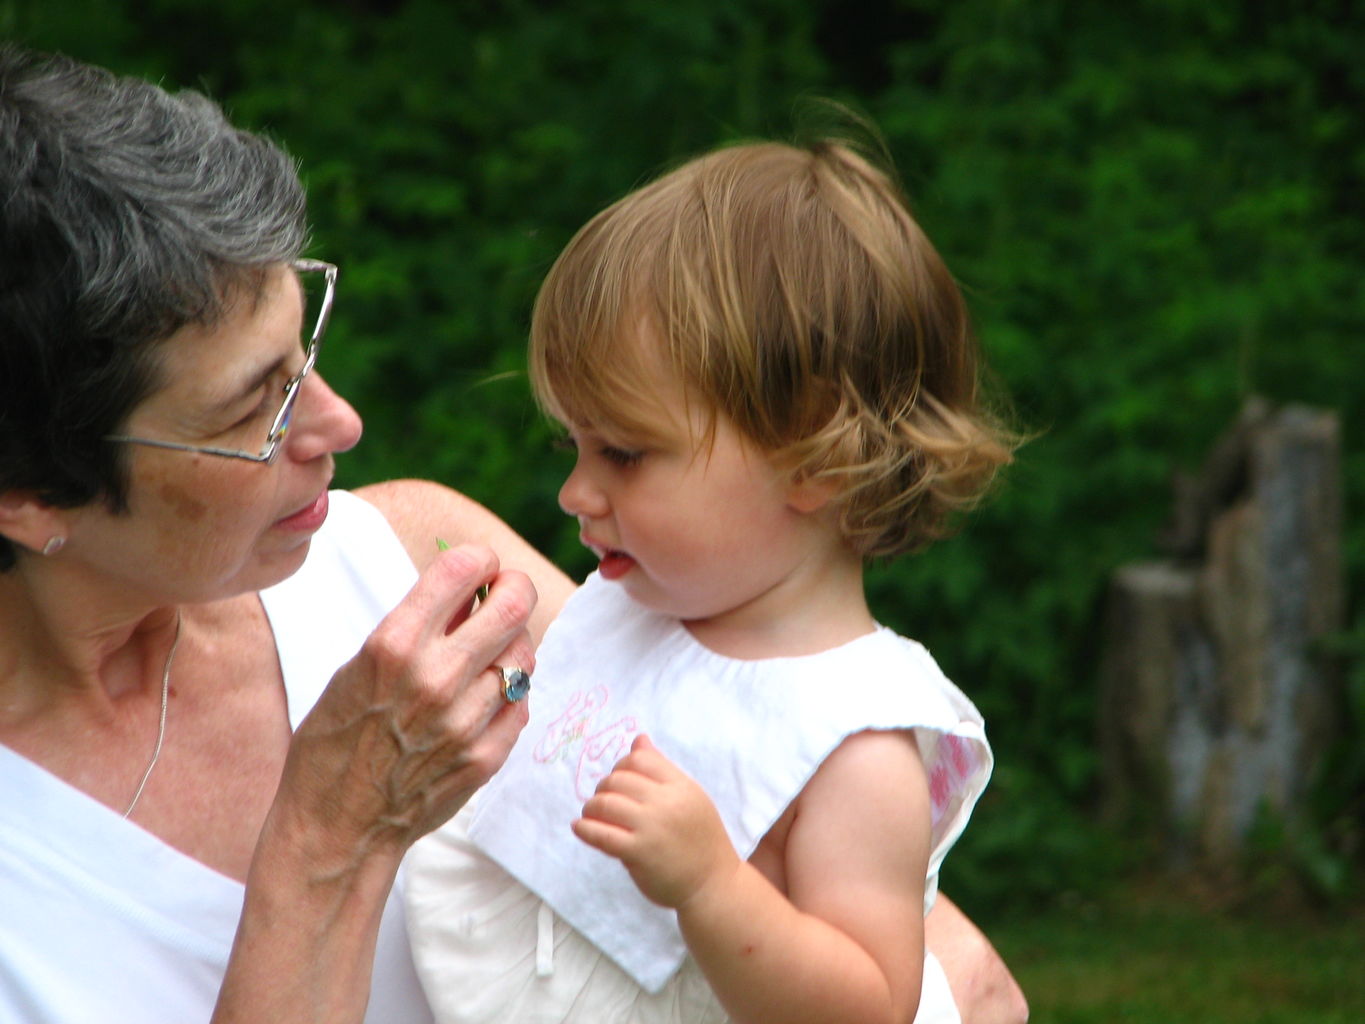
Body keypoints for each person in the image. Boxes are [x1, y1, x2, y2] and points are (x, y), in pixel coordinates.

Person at [0, 45, 1024, 1024]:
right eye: (248, 410)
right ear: (35, 496)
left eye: (302, 346)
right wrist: (324, 839)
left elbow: (958, 981)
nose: (340, 424)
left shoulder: (428, 567)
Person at [403, 134, 1024, 1024]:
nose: (576, 492)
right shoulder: (630, 613)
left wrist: (710, 886)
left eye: (622, 452)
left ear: (813, 456)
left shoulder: (854, 739)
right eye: (571, 446)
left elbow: (868, 1007)